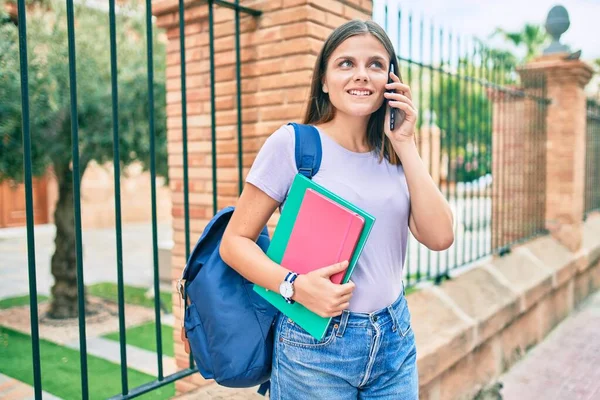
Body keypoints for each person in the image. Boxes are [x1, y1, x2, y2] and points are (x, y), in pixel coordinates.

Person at [220, 19, 454, 400]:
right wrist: (292, 285)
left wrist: (407, 144)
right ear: (324, 81)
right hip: (316, 345)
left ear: (391, 82)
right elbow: (234, 242)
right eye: (346, 63)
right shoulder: (293, 144)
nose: (362, 75)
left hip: (394, 338)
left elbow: (441, 236)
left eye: (376, 65)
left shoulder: (395, 154)